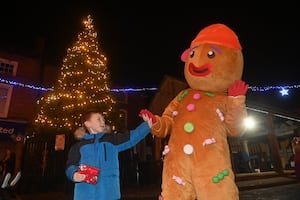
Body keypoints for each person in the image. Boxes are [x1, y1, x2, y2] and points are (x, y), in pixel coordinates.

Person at [65, 109, 154, 200]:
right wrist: (74, 174)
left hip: (109, 193)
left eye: (103, 119)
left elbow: (132, 137)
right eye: (98, 119)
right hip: (85, 194)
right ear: (88, 123)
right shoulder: (78, 146)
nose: (102, 122)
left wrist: (146, 126)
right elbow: (70, 165)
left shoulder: (111, 140)